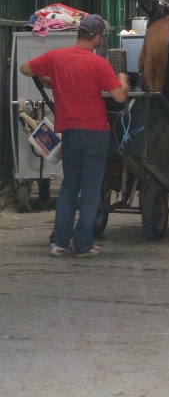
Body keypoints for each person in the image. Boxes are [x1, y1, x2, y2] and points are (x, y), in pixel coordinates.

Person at [20, 14, 129, 258]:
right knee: (90, 190)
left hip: (69, 132)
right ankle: (82, 245)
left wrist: (48, 79)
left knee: (69, 185)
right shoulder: (99, 64)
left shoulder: (57, 57)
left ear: (79, 32)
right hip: (95, 133)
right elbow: (120, 96)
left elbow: (24, 68)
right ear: (97, 37)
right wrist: (124, 78)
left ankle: (58, 243)